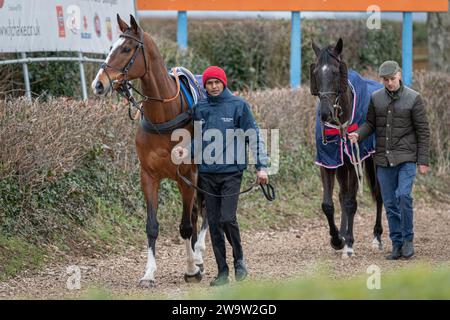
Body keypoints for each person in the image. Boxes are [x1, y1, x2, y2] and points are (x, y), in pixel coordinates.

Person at [174, 66, 269, 285]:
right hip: (207, 174)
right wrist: (187, 150)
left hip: (231, 173)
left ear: (223, 83)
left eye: (217, 82)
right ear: (205, 86)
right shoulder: (201, 108)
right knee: (214, 222)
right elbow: (199, 138)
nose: (213, 86)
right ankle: (222, 272)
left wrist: (261, 167)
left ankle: (239, 261)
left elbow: (253, 137)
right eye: (209, 83)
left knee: (227, 218)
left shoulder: (239, 106)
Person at [348, 60, 430, 260]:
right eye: (385, 80)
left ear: (399, 75)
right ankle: (397, 243)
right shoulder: (376, 99)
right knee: (390, 203)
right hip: (383, 160)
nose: (390, 83)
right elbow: (370, 124)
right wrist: (358, 134)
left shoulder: (414, 98)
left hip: (407, 158)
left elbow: (423, 131)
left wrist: (423, 160)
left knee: (403, 196)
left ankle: (408, 239)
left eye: (392, 79)